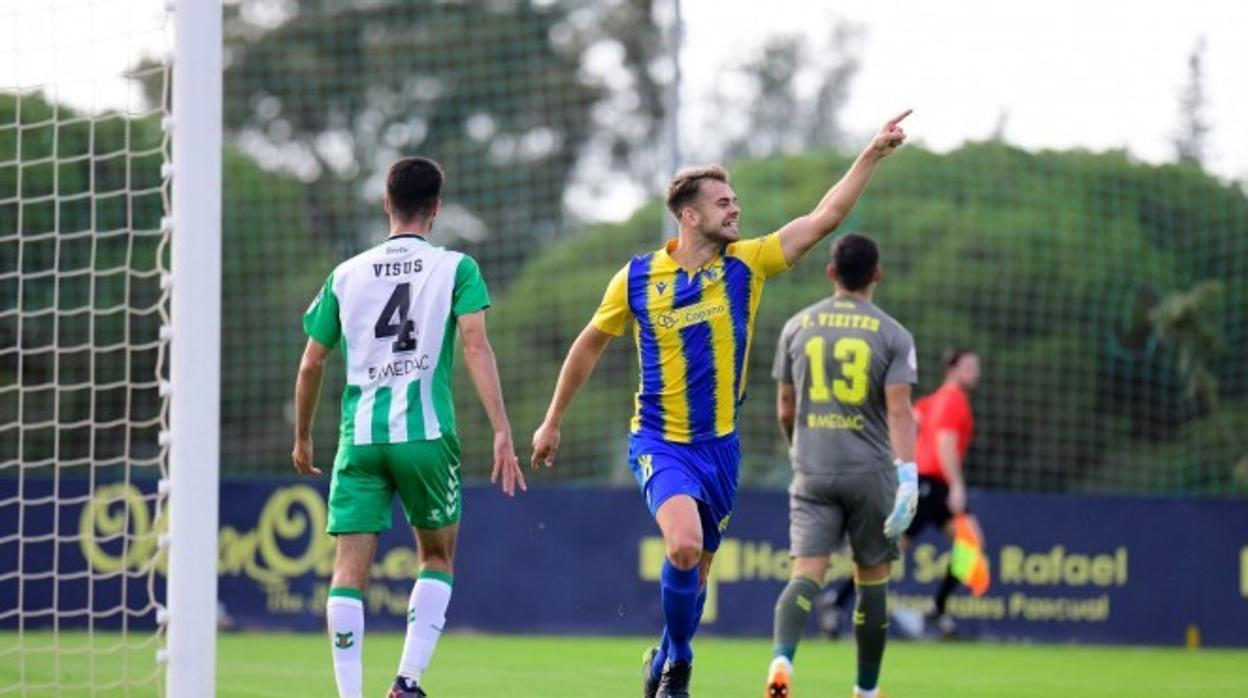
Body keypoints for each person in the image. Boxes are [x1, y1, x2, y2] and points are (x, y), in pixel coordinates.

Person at [531, 112, 912, 698]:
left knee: (697, 567)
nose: (736, 210)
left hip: (720, 449)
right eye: (723, 203)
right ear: (690, 216)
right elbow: (589, 344)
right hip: (660, 442)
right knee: (682, 545)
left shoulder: (748, 263)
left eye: (736, 201)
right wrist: (553, 420)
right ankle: (678, 665)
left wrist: (871, 154)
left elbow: (824, 218)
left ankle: (662, 656)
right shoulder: (635, 279)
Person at [291, 156, 527, 698]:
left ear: (386, 203)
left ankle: (350, 694)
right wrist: (501, 430)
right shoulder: (455, 267)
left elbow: (310, 363)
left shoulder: (345, 274)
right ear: (437, 208)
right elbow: (474, 344)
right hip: (425, 437)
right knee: (437, 556)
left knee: (348, 572)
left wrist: (303, 436)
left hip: (361, 440)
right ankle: (406, 682)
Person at [765, 233, 919, 698]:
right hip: (869, 472)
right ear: (877, 274)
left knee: (806, 574)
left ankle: (780, 662)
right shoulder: (893, 334)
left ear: (831, 272)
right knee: (871, 579)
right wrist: (907, 476)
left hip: (811, 468)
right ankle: (866, 692)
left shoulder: (796, 326)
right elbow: (899, 411)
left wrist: (800, 451)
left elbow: (785, 409)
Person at [815, 347, 981, 640]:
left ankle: (934, 608)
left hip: (924, 484)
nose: (975, 373)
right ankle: (839, 601)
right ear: (952, 370)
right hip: (934, 485)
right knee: (893, 552)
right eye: (969, 367)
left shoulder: (930, 402)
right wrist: (957, 485)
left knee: (964, 543)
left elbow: (905, 427)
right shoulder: (953, 400)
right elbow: (944, 444)